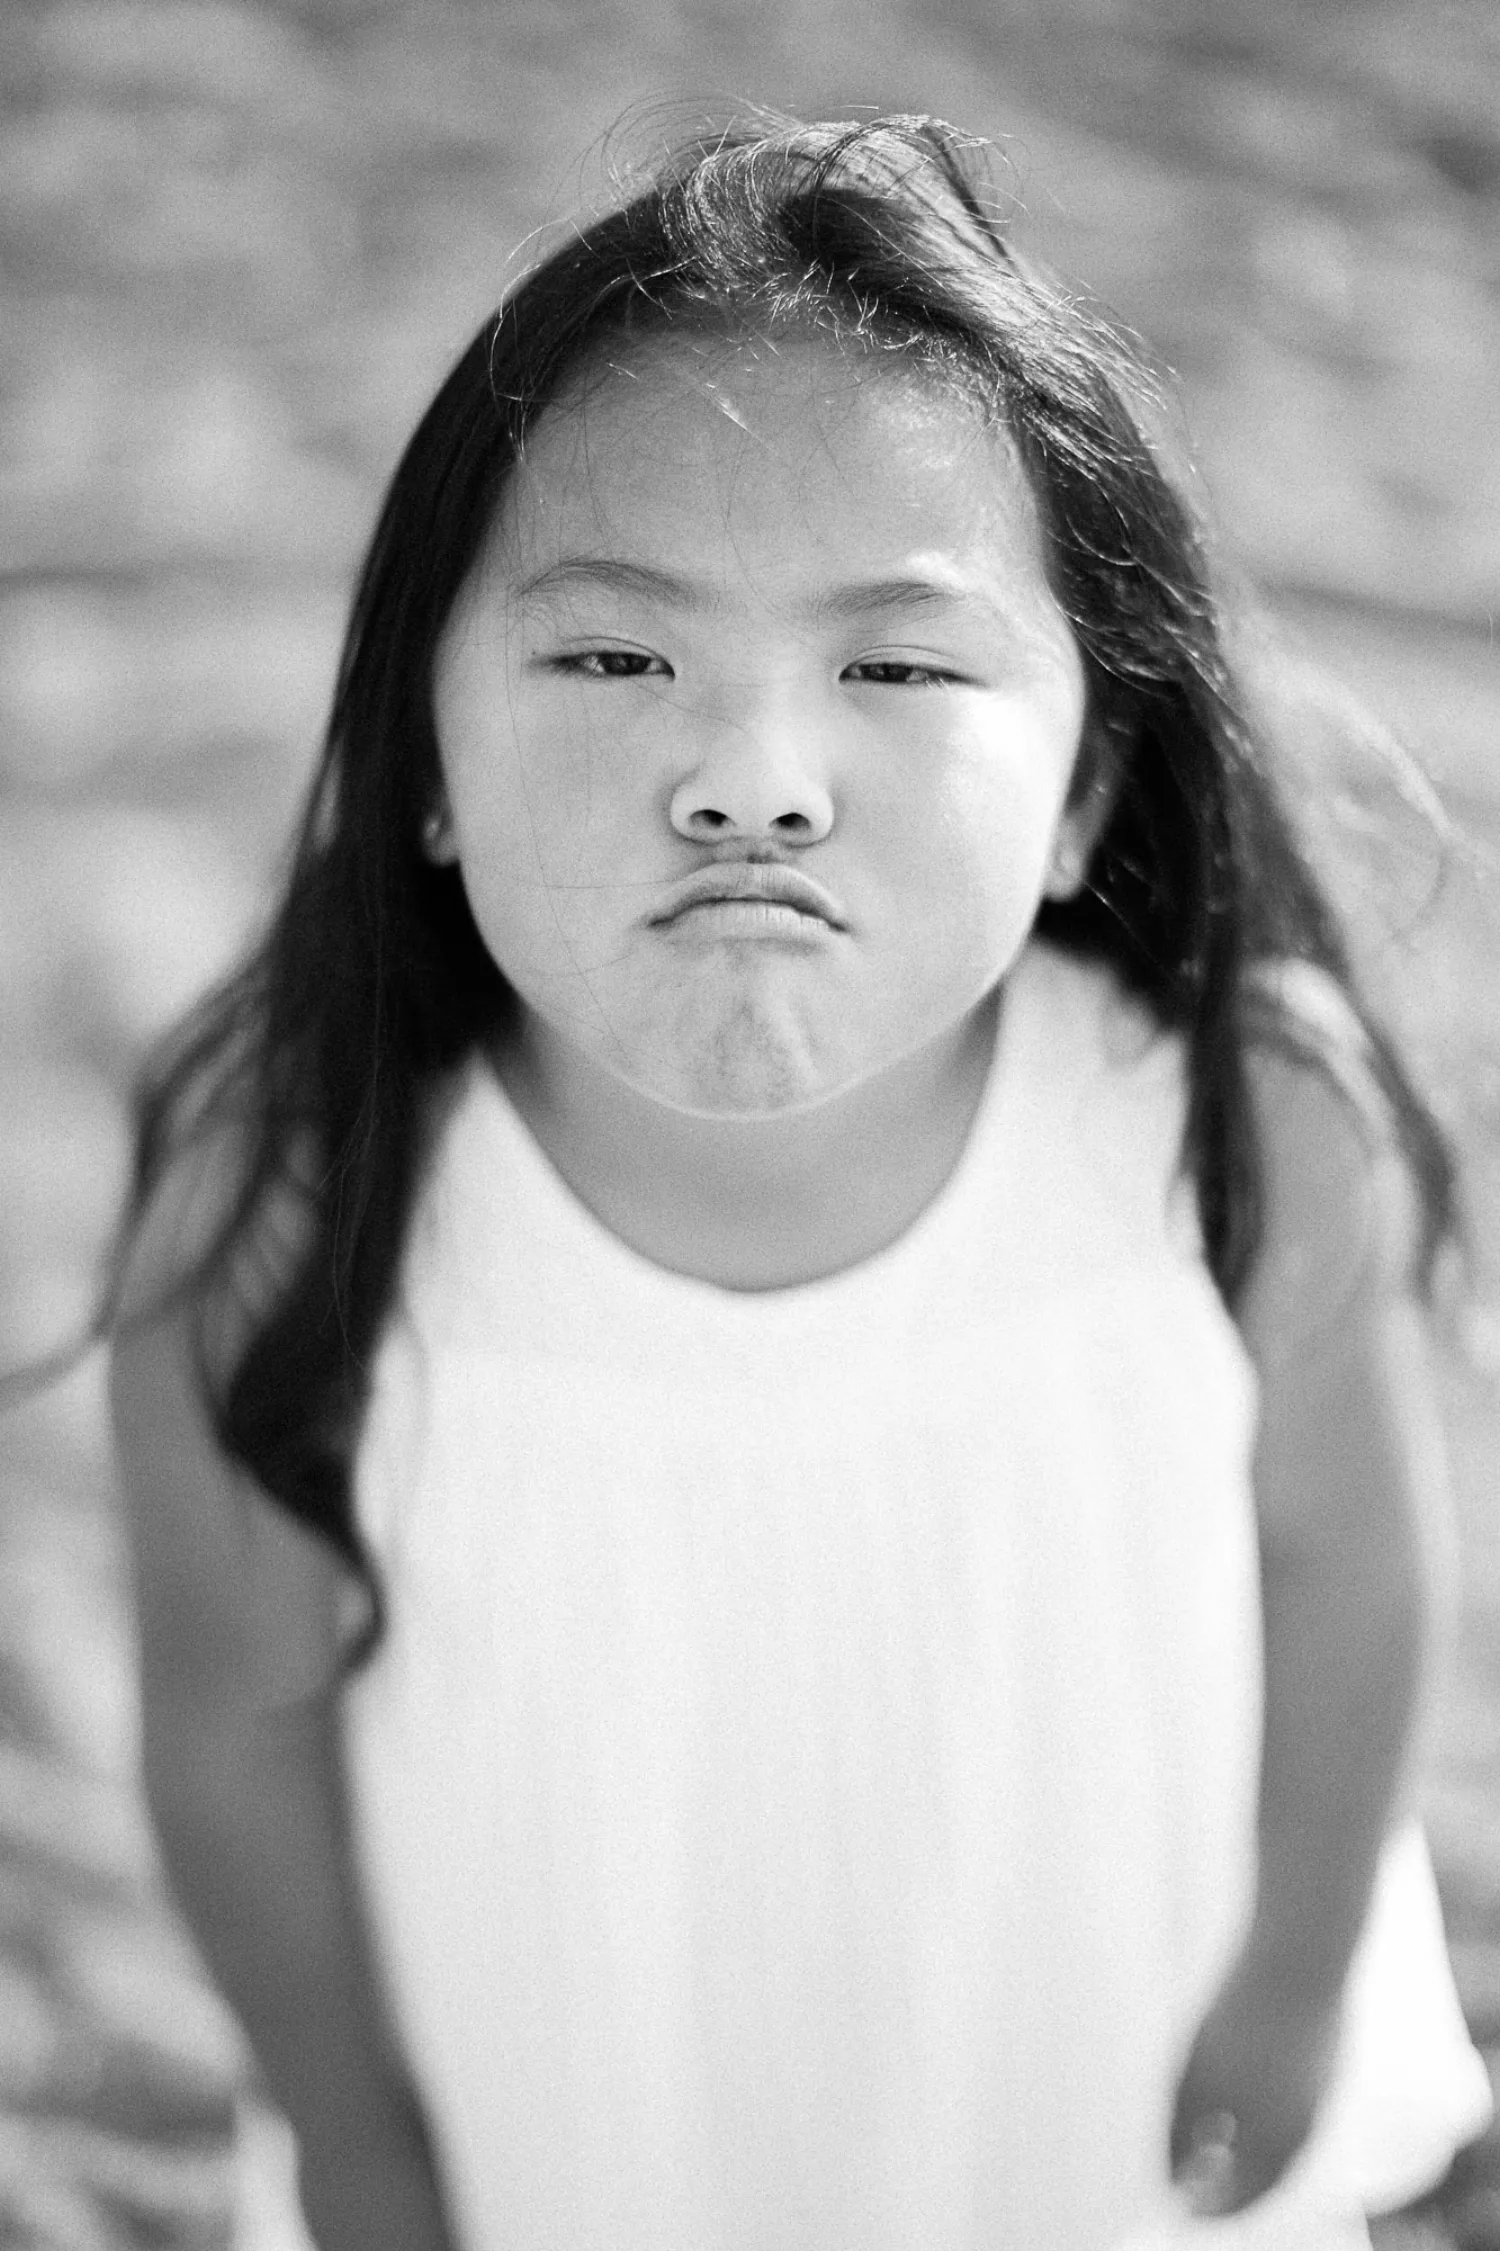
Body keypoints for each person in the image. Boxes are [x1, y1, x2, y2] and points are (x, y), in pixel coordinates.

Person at [105, 114, 1492, 2250]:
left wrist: (1295, 1983)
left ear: (1081, 787)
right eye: (612, 657)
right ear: (430, 768)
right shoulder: (288, 1201)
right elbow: (232, 1733)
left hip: (1090, 2062)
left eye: (901, 667)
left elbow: (1357, 1579)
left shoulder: (1237, 1126)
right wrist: (362, 2140)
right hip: (555, 2108)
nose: (751, 778)